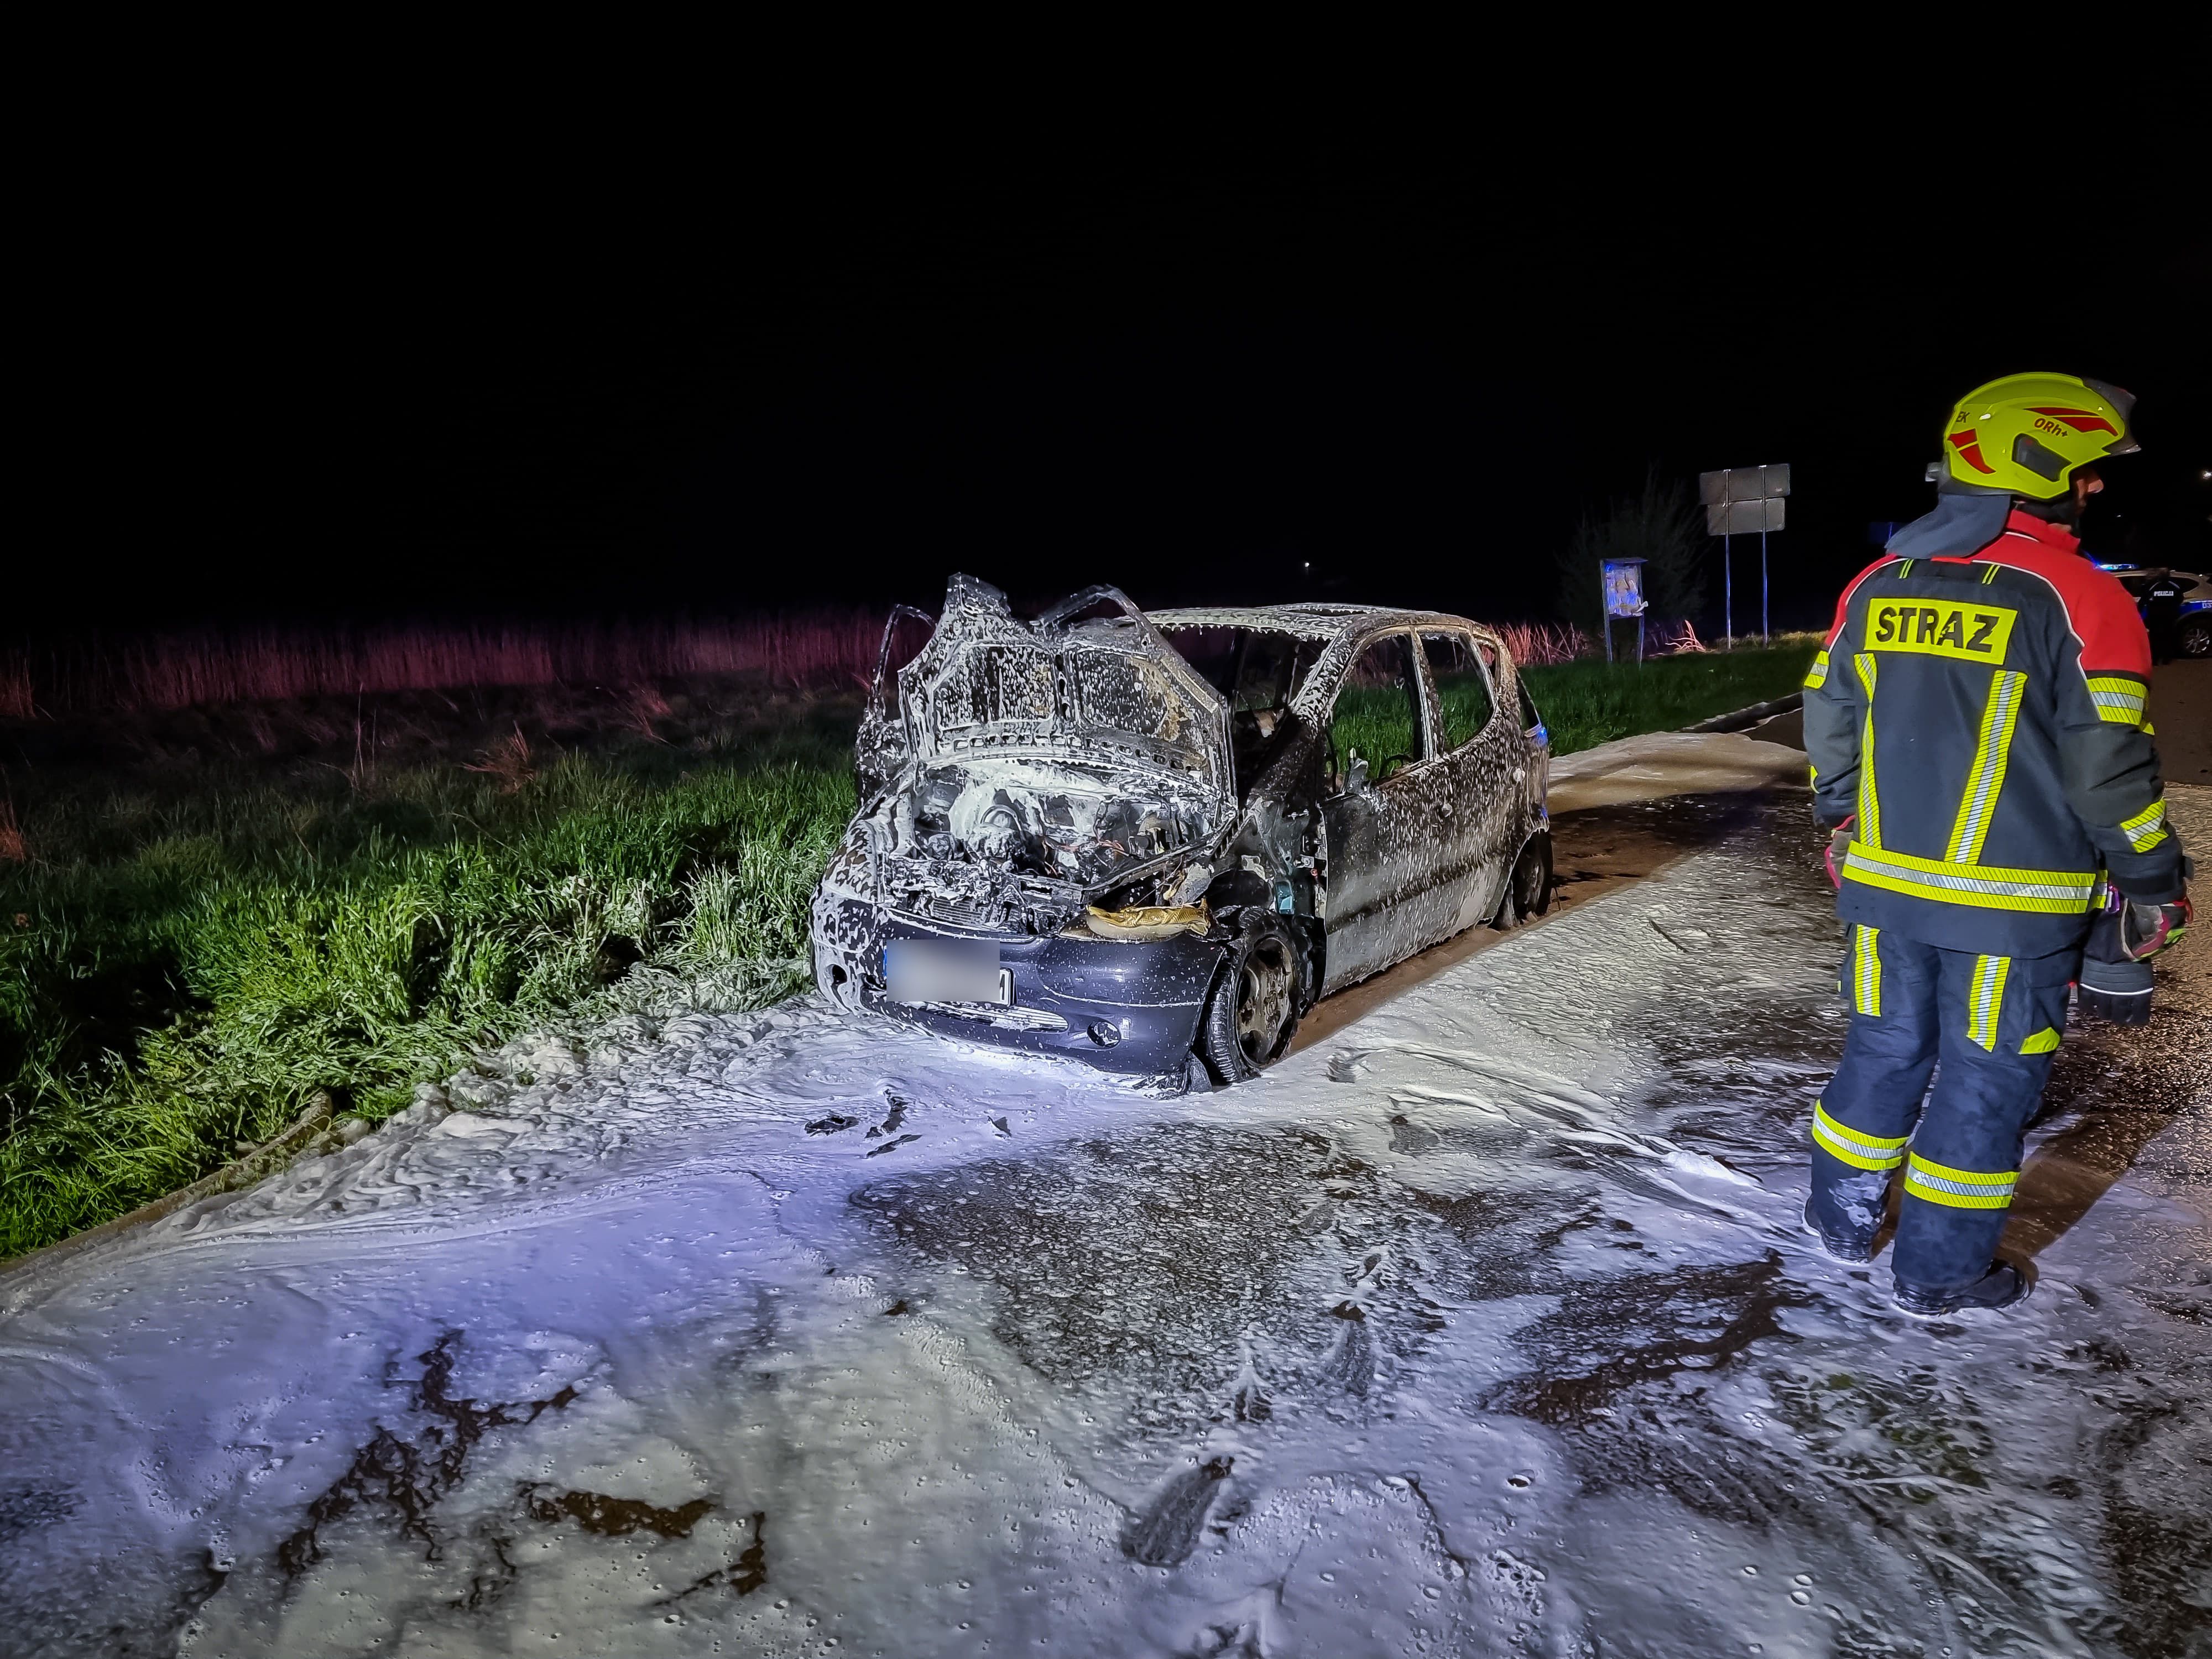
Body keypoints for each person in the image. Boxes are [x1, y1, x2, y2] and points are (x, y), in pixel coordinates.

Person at [1800, 372, 2192, 1316]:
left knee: (1882, 1050)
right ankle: (1938, 1273)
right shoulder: (2083, 600)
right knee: (1983, 1086)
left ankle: (1839, 1222)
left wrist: (1845, 824)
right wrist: (2153, 881)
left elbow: (1829, 720)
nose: (2095, 490)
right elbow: (2109, 777)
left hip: (1884, 894)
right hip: (2011, 914)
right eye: (2087, 474)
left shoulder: (1875, 584)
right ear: (2042, 470)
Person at [2138, 568, 2189, 665]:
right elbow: (2180, 599)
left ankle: (2155, 660)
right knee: (2168, 637)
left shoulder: (2153, 586)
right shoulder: (2174, 586)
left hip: (2155, 617)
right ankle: (2166, 659)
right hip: (2169, 617)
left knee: (2155, 638)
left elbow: (2144, 600)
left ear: (2159, 576)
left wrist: (2140, 612)